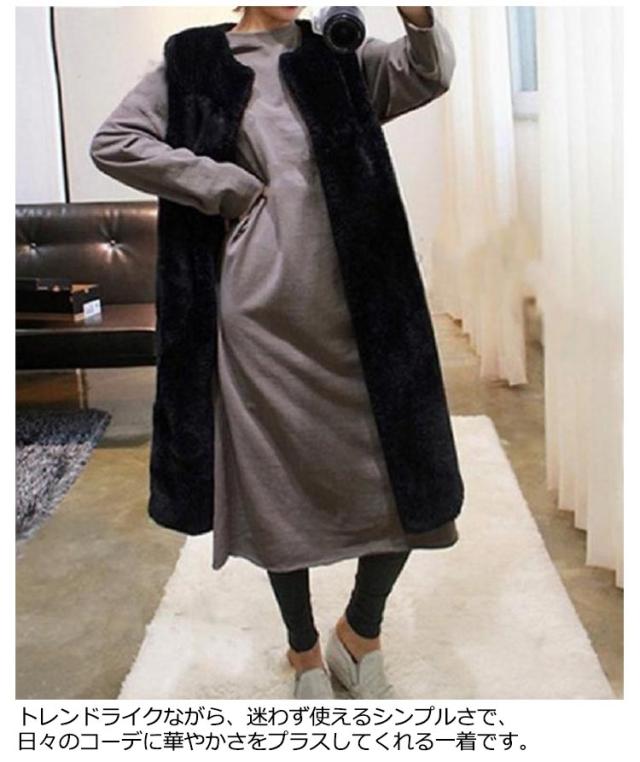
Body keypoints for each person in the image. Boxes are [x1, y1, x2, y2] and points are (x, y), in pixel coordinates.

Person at [89, 5, 458, 700]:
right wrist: (221, 184)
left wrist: (418, 18)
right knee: (279, 489)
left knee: (404, 480)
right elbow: (114, 142)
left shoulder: (340, 50)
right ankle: (304, 649)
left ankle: (362, 629)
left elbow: (426, 74)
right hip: (258, 314)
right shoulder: (194, 62)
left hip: (367, 311)